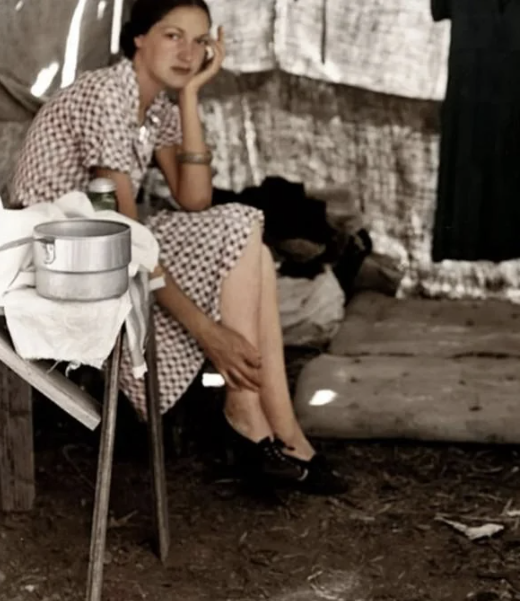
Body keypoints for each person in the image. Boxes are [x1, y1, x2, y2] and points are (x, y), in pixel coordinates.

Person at [11, 0, 346, 496]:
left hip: (95, 243)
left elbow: (195, 198)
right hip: (53, 255)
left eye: (200, 41)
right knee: (241, 226)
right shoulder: (108, 93)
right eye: (173, 36)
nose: (188, 52)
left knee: (247, 238)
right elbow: (121, 235)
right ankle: (256, 418)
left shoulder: (156, 107)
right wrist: (205, 330)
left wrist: (190, 95)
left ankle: (276, 428)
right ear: (139, 38)